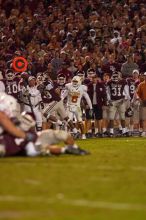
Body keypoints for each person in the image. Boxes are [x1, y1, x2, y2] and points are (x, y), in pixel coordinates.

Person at [0, 92, 89, 157]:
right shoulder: (7, 134)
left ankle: (75, 147)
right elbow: (36, 148)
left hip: (29, 138)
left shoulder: (21, 122)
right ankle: (70, 149)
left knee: (62, 134)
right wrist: (63, 150)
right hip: (21, 142)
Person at [137, 72, 146, 137]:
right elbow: (137, 93)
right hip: (143, 102)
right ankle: (144, 131)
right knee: (143, 118)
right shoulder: (141, 84)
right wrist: (139, 99)